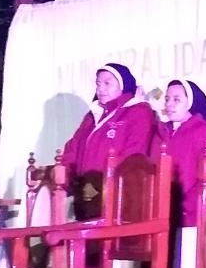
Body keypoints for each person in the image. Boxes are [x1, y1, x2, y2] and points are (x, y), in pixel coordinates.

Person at [150, 79, 206, 268]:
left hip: (189, 217)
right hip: (159, 217)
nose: (169, 104)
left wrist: (185, 206)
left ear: (190, 103)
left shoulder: (205, 132)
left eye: (177, 99)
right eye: (167, 99)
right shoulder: (160, 133)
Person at [62, 63, 155, 220]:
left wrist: (103, 183)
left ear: (122, 85)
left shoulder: (138, 112)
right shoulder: (93, 115)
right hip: (86, 195)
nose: (101, 89)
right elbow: (73, 148)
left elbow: (133, 156)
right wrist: (64, 176)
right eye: (98, 84)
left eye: (107, 83)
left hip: (119, 198)